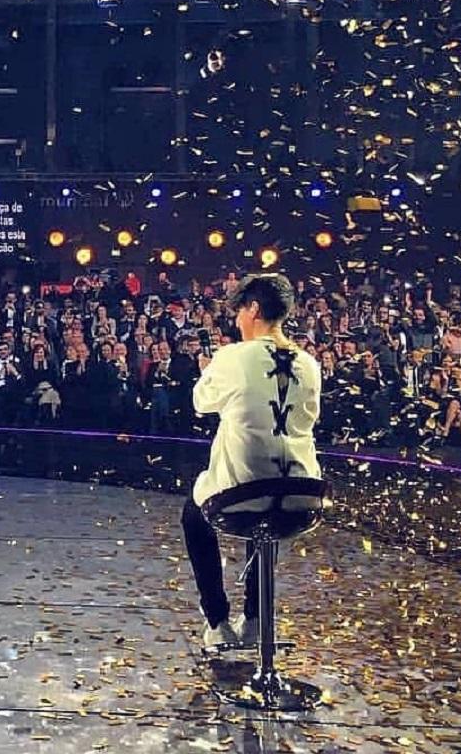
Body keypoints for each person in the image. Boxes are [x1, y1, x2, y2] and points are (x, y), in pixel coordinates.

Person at [180, 273, 322, 649]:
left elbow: (201, 402)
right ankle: (256, 619)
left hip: (241, 496)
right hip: (306, 495)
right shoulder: (310, 363)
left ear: (254, 309)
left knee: (196, 515)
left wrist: (208, 371)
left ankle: (217, 621)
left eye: (240, 312)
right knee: (267, 512)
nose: (238, 320)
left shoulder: (232, 356)